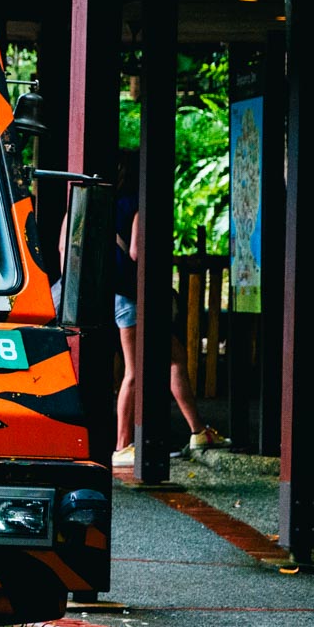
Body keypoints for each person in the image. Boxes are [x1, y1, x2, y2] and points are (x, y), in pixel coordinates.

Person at [114, 165, 226, 464]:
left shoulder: (112, 203)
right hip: (134, 295)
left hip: (121, 293)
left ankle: (198, 431)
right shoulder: (138, 205)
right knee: (135, 372)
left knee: (174, 358)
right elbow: (138, 251)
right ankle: (122, 445)